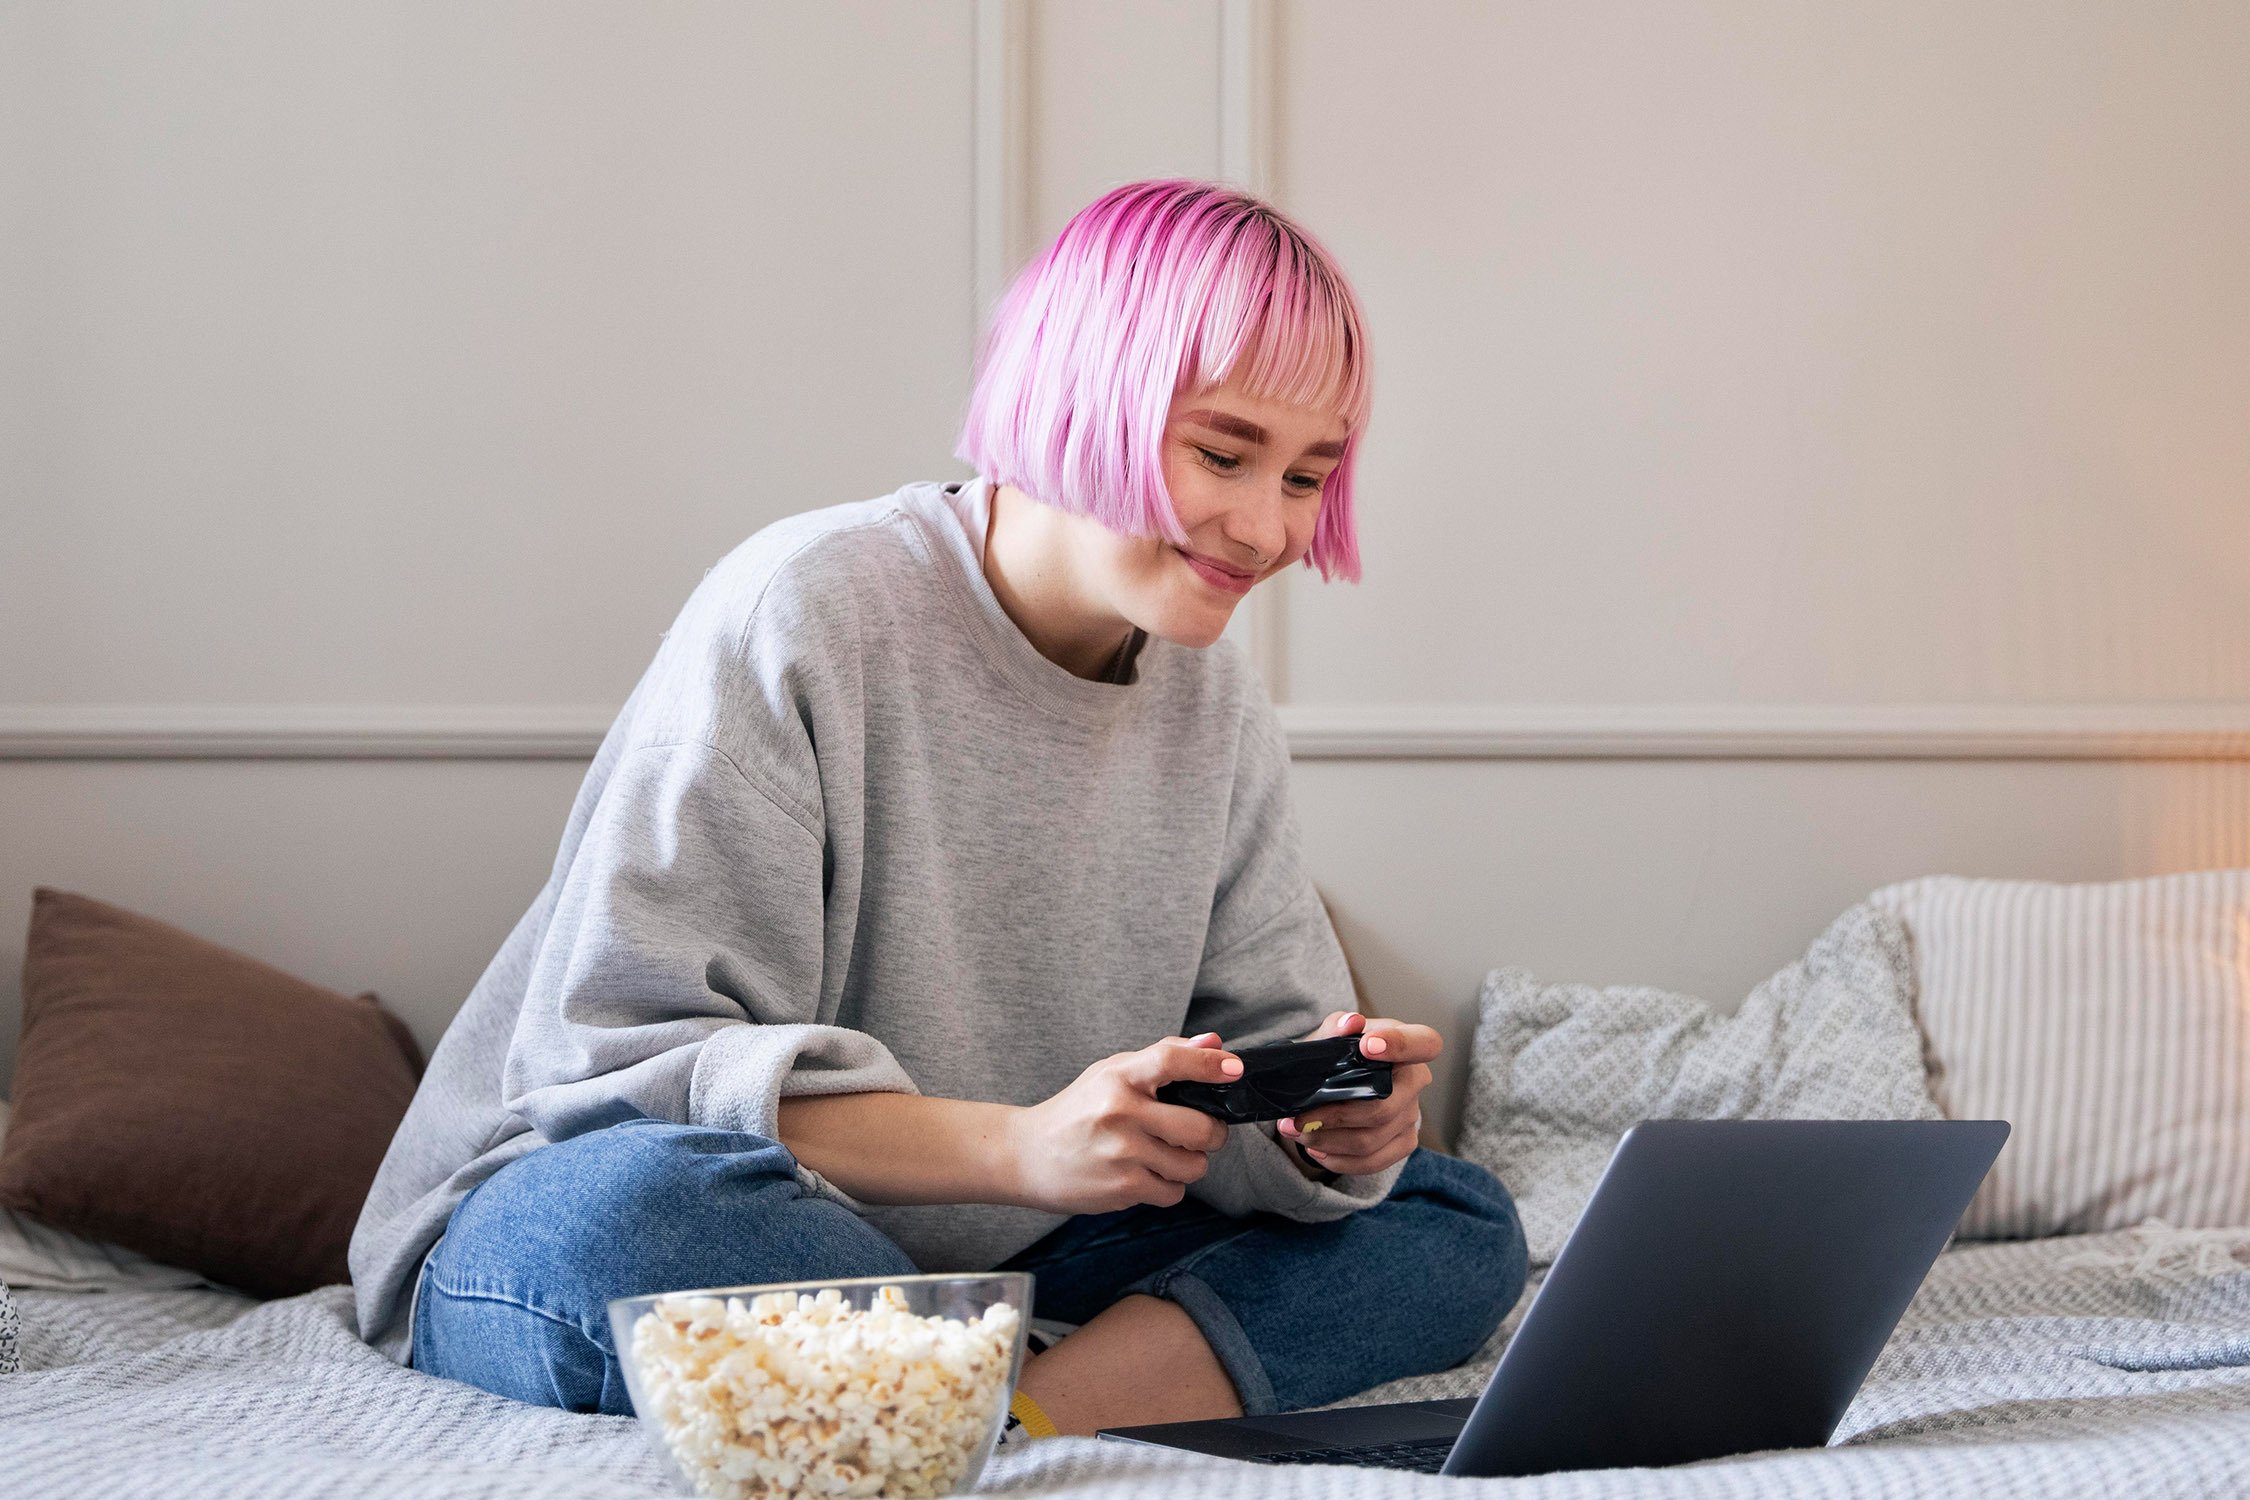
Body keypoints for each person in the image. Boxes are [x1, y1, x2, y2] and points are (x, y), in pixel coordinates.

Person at [345, 177, 1528, 1436]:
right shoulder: (804, 608)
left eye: (1308, 475)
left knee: (1451, 1217)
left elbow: (1238, 1066)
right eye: (1225, 454)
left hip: (1016, 1241)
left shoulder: (1212, 693)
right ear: (1081, 396)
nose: (1266, 526)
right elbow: (610, 1071)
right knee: (626, 1211)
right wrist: (1020, 1149)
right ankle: (951, 1384)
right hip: (589, 1215)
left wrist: (1314, 1129)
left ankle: (1003, 1418)